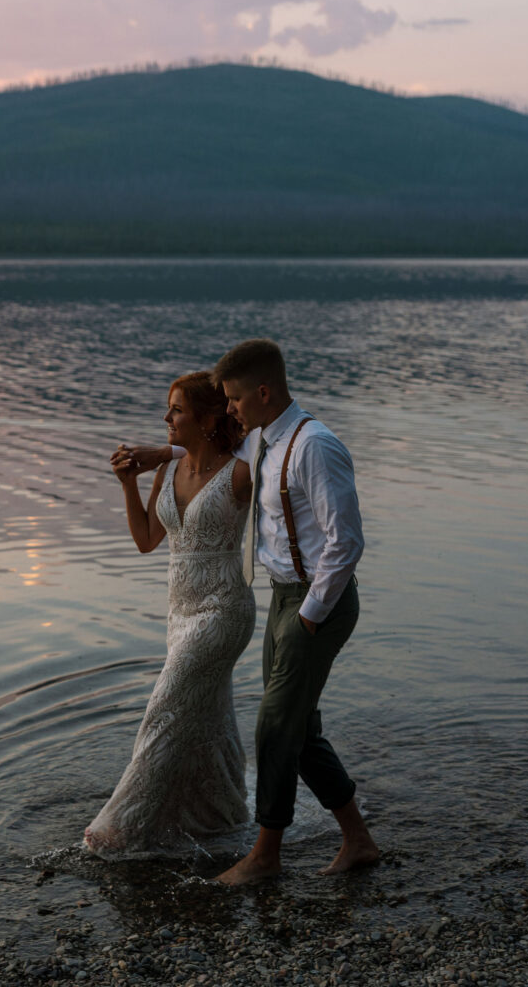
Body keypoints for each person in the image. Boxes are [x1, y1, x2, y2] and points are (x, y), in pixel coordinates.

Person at [115, 339, 378, 883]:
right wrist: (157, 454)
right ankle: (358, 839)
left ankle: (264, 857)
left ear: (263, 392)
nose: (230, 407)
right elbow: (213, 454)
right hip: (280, 598)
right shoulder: (265, 442)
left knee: (274, 729)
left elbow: (345, 542)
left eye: (234, 398)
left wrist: (309, 616)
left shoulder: (314, 446)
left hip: (313, 602)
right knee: (297, 733)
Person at [83, 371, 255, 855]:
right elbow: (145, 541)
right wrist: (129, 482)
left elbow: (271, 449)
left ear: (208, 417)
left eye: (176, 410)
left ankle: (121, 826)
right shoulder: (168, 468)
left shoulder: (239, 472)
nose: (165, 418)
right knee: (207, 719)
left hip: (224, 611)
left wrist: (167, 451)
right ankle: (218, 817)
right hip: (179, 614)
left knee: (165, 706)